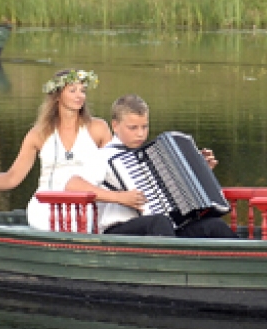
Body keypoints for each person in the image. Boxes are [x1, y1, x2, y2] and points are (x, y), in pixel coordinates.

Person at [0, 68, 135, 231]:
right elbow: (11, 178)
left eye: (83, 91)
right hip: (45, 207)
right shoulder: (38, 134)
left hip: (86, 208)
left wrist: (124, 197)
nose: (80, 95)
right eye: (73, 90)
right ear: (57, 95)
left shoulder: (98, 128)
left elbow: (115, 171)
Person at [66, 94, 236, 238]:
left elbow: (174, 195)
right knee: (159, 221)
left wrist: (201, 170)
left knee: (214, 226)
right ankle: (175, 271)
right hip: (119, 232)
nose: (140, 133)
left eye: (144, 127)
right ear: (115, 126)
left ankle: (244, 268)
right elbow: (73, 186)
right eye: (132, 128)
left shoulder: (154, 154)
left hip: (164, 229)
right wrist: (119, 197)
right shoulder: (104, 156)